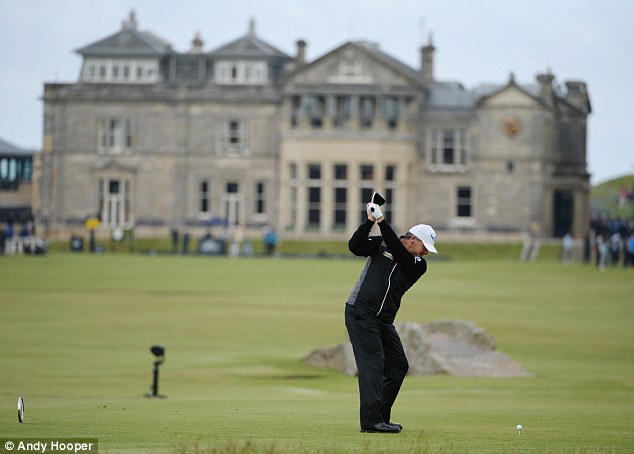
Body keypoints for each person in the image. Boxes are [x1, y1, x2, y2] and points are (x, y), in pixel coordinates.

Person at [345, 201, 437, 433]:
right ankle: (370, 422)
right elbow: (355, 246)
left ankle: (381, 417)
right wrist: (369, 221)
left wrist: (383, 221)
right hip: (361, 312)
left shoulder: (418, 264)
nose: (426, 251)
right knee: (373, 365)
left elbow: (400, 254)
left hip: (383, 320)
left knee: (398, 365)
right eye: (424, 246)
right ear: (413, 239)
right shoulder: (383, 243)